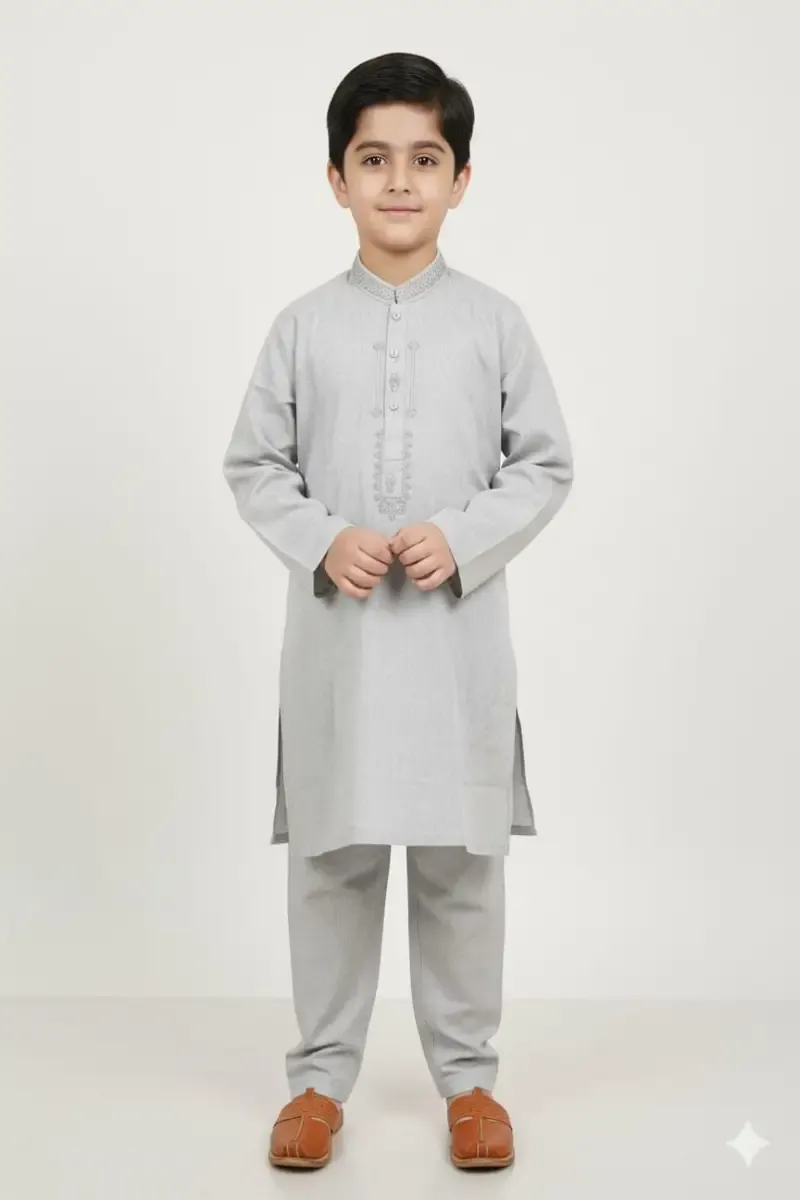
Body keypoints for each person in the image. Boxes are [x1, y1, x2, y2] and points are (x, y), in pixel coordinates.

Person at [222, 51, 574, 1171]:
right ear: (337, 179)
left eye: (425, 159)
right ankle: (318, 1080)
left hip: (456, 649)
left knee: (461, 866)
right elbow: (254, 465)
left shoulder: (495, 324)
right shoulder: (300, 327)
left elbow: (544, 465)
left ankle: (469, 1082)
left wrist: (460, 536)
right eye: (374, 160)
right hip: (338, 647)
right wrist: (323, 538)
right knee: (331, 862)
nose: (399, 181)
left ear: (460, 179)